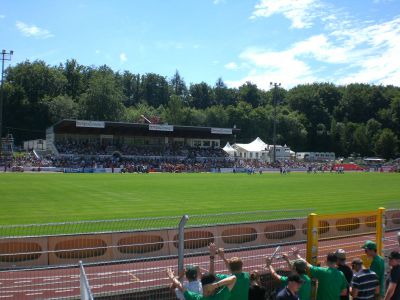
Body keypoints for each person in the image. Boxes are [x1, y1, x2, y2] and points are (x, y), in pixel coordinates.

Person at [167, 268, 236, 300]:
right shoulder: (220, 297)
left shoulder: (195, 297)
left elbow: (179, 286)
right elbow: (234, 278)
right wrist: (215, 285)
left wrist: (173, 277)